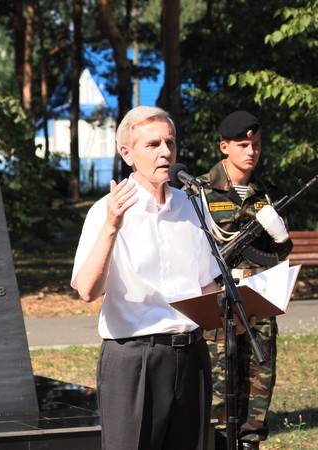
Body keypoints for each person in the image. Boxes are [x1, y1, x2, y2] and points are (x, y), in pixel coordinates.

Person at [71, 106, 221, 450]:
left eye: (170, 142)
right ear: (127, 153)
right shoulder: (106, 211)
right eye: (153, 145)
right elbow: (87, 291)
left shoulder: (190, 206)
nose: (166, 152)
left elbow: (206, 285)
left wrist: (237, 310)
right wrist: (111, 226)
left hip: (192, 355)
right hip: (135, 358)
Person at [197, 111, 292, 450]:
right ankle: (219, 441)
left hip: (259, 301)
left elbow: (278, 256)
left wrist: (280, 240)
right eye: (242, 144)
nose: (251, 151)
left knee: (259, 380)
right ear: (224, 147)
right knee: (220, 383)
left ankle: (250, 442)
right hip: (220, 303)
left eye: (256, 144)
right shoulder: (200, 192)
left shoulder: (266, 194)